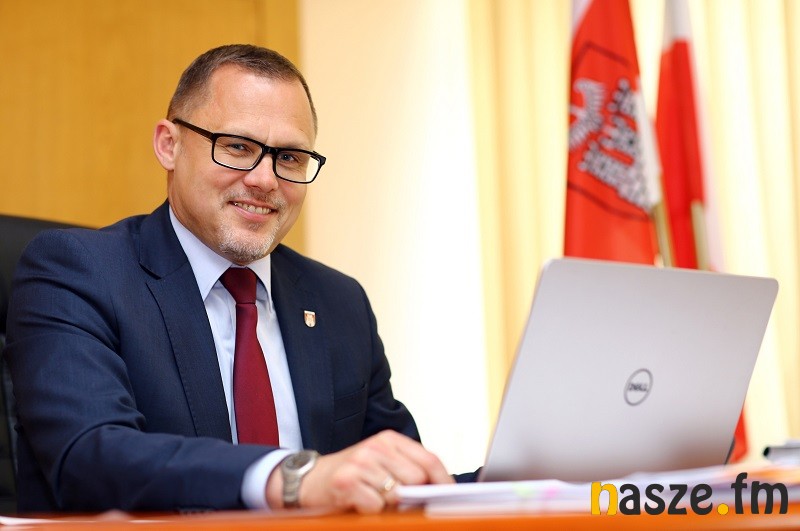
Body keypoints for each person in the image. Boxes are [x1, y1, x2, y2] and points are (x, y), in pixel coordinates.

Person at [3, 44, 465, 514]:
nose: (265, 180)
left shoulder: (339, 301)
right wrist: (290, 478)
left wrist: (501, 481)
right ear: (169, 145)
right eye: (238, 147)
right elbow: (90, 456)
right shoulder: (77, 271)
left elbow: (399, 481)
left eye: (290, 157)